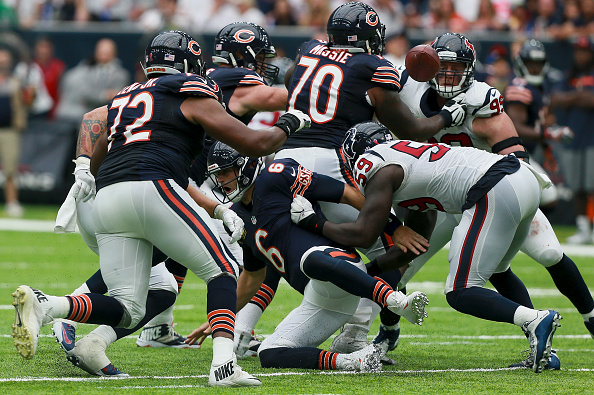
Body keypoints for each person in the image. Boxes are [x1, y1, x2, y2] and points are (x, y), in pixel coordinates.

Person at [11, 29, 310, 388]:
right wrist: (292, 122)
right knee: (224, 271)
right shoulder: (192, 94)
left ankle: (50, 307)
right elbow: (257, 143)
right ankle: (223, 365)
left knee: (130, 308)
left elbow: (99, 130)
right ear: (187, 65)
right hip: (154, 188)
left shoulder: (126, 95)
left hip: (109, 198)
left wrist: (83, 170)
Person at [337, 32, 594, 369]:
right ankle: (387, 332)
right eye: (440, 67)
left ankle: (587, 316)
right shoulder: (406, 86)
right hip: (434, 194)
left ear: (470, 70)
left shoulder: (481, 98)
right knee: (401, 262)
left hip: (487, 185)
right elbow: (398, 129)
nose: (446, 75)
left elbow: (513, 150)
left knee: (544, 252)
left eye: (454, 68)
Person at [291, 123, 562, 373]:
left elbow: (363, 233)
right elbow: (414, 246)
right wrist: (369, 271)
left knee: (460, 292)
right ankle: (545, 352)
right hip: (522, 178)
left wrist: (313, 222)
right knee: (500, 270)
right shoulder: (408, 163)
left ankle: (535, 318)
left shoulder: (372, 163)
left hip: (495, 185)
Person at [277, 1, 468, 353]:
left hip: (283, 162)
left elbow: (293, 83)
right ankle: (356, 334)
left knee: (292, 251)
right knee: (393, 247)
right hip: (331, 163)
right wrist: (447, 116)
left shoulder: (308, 51)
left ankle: (240, 332)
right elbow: (410, 128)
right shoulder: (373, 66)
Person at [185, 140, 430, 372]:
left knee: (309, 259)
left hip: (337, 260)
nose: (220, 180)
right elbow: (252, 278)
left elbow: (344, 192)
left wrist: (393, 226)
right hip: (322, 297)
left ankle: (395, 300)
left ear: (248, 164)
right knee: (270, 353)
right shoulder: (236, 218)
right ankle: (352, 361)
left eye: (226, 171)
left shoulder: (276, 174)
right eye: (217, 174)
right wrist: (221, 316)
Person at [135, 21, 289, 349]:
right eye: (260, 55)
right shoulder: (236, 79)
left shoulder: (208, 79)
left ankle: (156, 328)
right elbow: (279, 98)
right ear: (242, 54)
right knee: (240, 260)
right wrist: (321, 82)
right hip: (195, 182)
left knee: (165, 252)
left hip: (180, 177)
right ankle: (234, 334)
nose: (264, 62)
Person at [550, 35, 594, 245]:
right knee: (577, 187)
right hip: (574, 138)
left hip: (592, 137)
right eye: (578, 51)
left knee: (592, 185)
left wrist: (572, 98)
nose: (581, 55)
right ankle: (583, 227)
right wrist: (580, 97)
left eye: (585, 51)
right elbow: (555, 98)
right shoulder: (569, 77)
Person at [56, 38, 130, 124]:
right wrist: (105, 95)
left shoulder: (121, 74)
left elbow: (118, 96)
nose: (103, 54)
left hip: (109, 117)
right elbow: (85, 92)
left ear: (114, 53)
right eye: (101, 51)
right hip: (85, 114)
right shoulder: (85, 70)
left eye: (107, 51)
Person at [0, 47, 27, 217]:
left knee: (10, 169)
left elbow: (26, 104)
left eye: (5, 61)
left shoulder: (16, 82)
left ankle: (12, 202)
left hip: (10, 130)